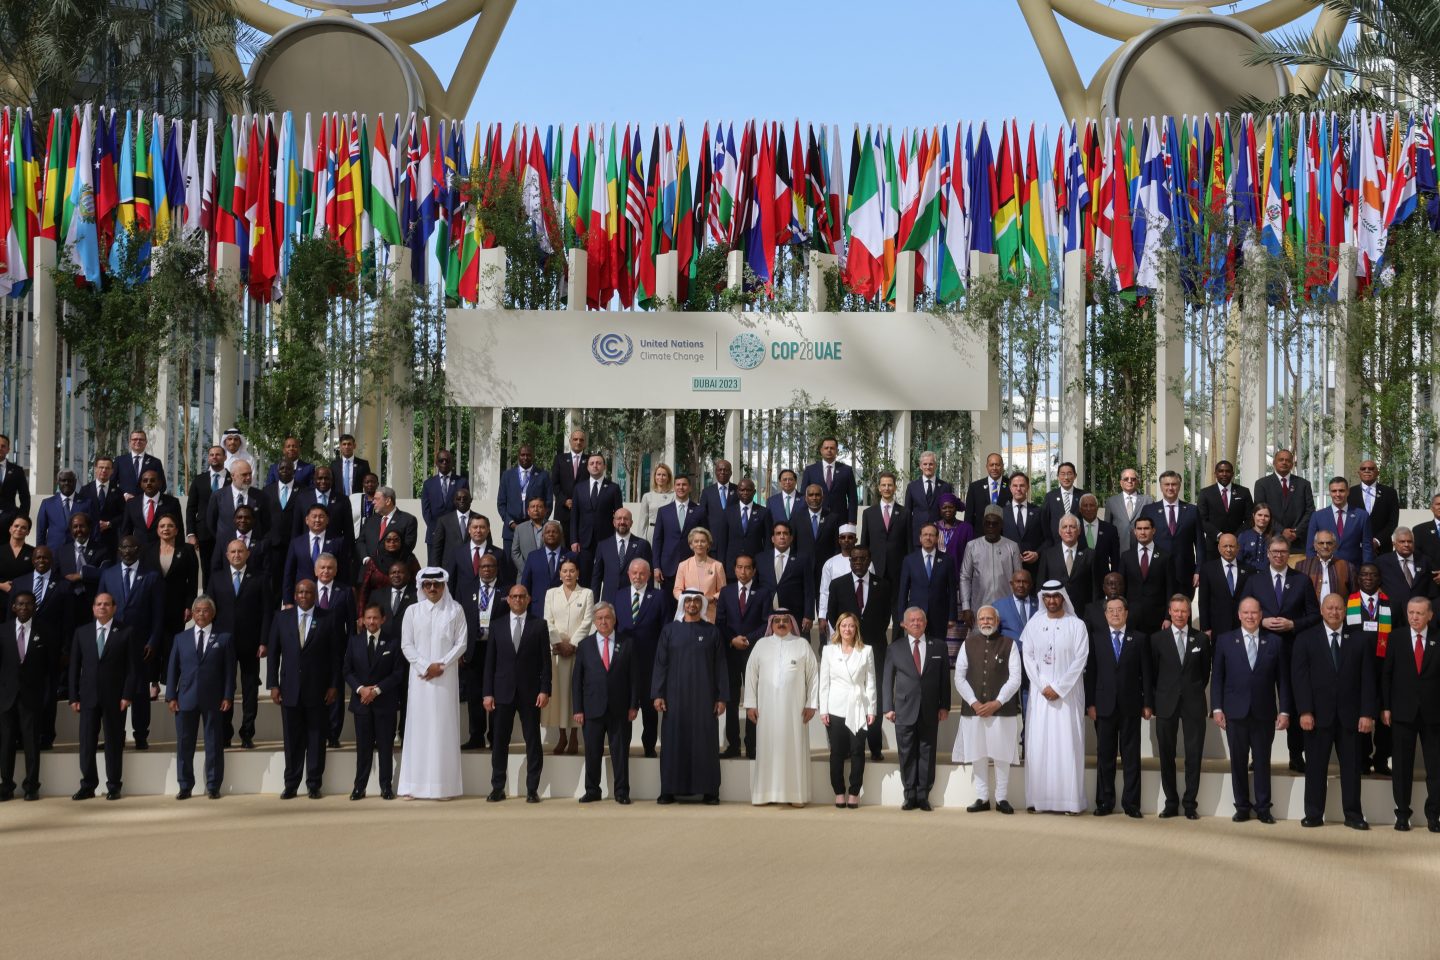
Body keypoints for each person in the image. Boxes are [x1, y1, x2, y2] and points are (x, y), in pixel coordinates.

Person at [1293, 592, 1375, 829]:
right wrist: (1305, 711)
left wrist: (1367, 713)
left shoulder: (1359, 640)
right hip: (1317, 717)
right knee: (1315, 768)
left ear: (1345, 611)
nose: (1334, 612)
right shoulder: (1306, 639)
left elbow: (1368, 679)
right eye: (1329, 608)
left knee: (1351, 769)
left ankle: (1353, 815)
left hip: (1351, 717)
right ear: (1321, 610)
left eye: (1338, 608)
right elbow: (1300, 680)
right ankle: (1313, 814)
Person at [1239, 536, 1320, 773]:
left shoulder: (1302, 580)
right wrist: (1261, 621)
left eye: (1283, 551)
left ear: (1288, 554)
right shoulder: (1255, 581)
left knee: (1294, 703)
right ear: (1268, 553)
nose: (1279, 555)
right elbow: (1244, 609)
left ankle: (1296, 755)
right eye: (1274, 551)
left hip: (1293, 650)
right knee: (1260, 703)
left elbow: (1314, 615)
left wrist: (1293, 624)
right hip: (1262, 648)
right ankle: (1257, 755)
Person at [1212, 597, 1290, 823]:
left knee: (1262, 762)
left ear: (1261, 615)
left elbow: (1282, 681)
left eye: (1254, 612)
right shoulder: (1225, 641)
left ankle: (1264, 808)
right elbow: (1217, 678)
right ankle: (1243, 807)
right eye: (1245, 612)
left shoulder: (1274, 642)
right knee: (1237, 762)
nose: (1250, 616)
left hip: (1264, 713)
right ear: (1239, 615)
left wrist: (1284, 710)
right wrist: (1216, 708)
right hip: (1234, 713)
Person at [653, 591, 728, 804]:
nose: (692, 604)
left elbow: (720, 667)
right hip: (674, 698)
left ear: (702, 604)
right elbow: (660, 664)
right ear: (683, 604)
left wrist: (722, 697)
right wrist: (658, 694)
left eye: (696, 601)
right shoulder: (669, 631)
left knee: (705, 743)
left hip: (705, 699)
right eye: (688, 601)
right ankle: (668, 789)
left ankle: (710, 791)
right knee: (673, 742)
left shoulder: (712, 632)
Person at [268, 580, 341, 800]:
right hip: (289, 690)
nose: (303, 595)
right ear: (295, 594)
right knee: (292, 740)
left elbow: (336, 656)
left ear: (314, 595)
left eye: (308, 592)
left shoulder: (328, 618)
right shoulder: (281, 618)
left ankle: (314, 784)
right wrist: (273, 684)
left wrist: (334, 685)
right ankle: (291, 783)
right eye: (299, 591)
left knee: (316, 738)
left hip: (317, 690)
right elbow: (273, 654)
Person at [398, 570, 467, 800]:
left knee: (442, 729)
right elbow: (406, 645)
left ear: (443, 585)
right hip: (420, 680)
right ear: (421, 587)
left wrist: (442, 665)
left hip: (445, 679)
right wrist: (426, 666)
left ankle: (442, 787)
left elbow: (462, 643)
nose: (432, 589)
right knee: (418, 729)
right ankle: (413, 786)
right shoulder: (412, 611)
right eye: (427, 584)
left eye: (436, 584)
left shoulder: (455, 610)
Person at [1020, 582, 1089, 813]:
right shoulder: (1033, 624)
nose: (1051, 601)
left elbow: (1081, 660)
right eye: (1047, 597)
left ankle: (1070, 802)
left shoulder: (1077, 625)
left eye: (1055, 596)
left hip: (1068, 696)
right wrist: (1042, 686)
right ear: (1043, 598)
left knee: (1068, 746)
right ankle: (1039, 800)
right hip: (1041, 697)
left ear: (1063, 598)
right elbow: (1027, 658)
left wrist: (1059, 687)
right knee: (1039, 745)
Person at [743, 609, 819, 807]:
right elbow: (751, 675)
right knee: (767, 749)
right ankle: (765, 794)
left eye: (786, 620)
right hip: (766, 711)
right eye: (777, 620)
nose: (782, 624)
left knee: (794, 749)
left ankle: (795, 795)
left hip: (795, 711)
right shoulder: (761, 645)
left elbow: (813, 677)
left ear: (791, 623)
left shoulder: (801, 644)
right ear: (772, 623)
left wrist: (812, 704)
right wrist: (750, 704)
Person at [483, 584, 552, 803]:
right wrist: (487, 693)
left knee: (532, 741)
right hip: (502, 692)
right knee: (499, 741)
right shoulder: (497, 625)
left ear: (529, 599)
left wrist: (545, 690)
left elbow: (545, 663)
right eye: (514, 596)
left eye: (522, 596)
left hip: (530, 693)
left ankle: (532, 789)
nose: (518, 600)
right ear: (508, 599)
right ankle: (497, 787)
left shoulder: (539, 625)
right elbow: (490, 663)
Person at [1146, 595, 1211, 820]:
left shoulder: (1201, 640)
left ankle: (1190, 803)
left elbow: (1204, 675)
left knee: (1194, 755)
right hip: (1165, 704)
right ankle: (1171, 802)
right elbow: (1153, 675)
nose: (1180, 615)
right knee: (1166, 755)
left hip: (1193, 704)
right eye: (1176, 611)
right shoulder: (1156, 640)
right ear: (1170, 612)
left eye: (1184, 611)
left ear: (1189, 613)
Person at [953, 604, 1021, 814]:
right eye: (982, 619)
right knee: (978, 753)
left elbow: (1015, 678)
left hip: (1002, 710)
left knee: (1002, 756)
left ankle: (1001, 798)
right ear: (977, 621)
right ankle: (982, 797)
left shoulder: (1009, 644)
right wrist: (974, 702)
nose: (985, 622)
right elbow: (959, 677)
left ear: (997, 621)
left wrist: (997, 702)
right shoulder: (967, 644)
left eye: (989, 619)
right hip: (974, 710)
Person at [825, 545, 892, 760]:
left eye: (863, 559)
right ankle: (844, 747)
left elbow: (885, 616)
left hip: (875, 647)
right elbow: (831, 614)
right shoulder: (838, 584)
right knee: (846, 694)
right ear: (850, 561)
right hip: (846, 648)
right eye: (854, 559)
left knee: (874, 695)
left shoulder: (882, 585)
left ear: (869, 559)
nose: (859, 563)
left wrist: (868, 640)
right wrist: (849, 638)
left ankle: (874, 746)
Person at [882, 607, 951, 810]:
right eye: (911, 620)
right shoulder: (895, 648)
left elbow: (944, 679)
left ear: (926, 622)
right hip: (903, 709)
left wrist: (945, 706)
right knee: (906, 753)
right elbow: (887, 680)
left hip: (930, 709)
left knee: (927, 753)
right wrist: (887, 707)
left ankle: (923, 795)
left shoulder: (939, 647)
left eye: (920, 620)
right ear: (904, 624)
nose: (916, 623)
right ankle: (909, 794)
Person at [165, 596, 234, 800]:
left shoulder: (224, 638)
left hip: (214, 699)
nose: (201, 614)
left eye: (205, 610)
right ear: (192, 614)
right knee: (185, 743)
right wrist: (171, 696)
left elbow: (230, 671)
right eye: (197, 611)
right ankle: (185, 785)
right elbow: (172, 670)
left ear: (212, 613)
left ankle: (213, 785)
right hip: (185, 698)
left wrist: (228, 695)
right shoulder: (181, 638)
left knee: (214, 743)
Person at [96, 535, 162, 748]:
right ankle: (117, 735)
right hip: (113, 642)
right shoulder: (108, 574)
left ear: (139, 549)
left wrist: (152, 641)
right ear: (118, 550)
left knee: (140, 691)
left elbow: (158, 614)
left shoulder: (151, 576)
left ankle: (141, 735)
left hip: (141, 644)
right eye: (123, 547)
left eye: (132, 547)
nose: (127, 551)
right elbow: (100, 608)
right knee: (115, 690)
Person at [572, 602, 640, 804]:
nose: (603, 621)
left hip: (620, 709)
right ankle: (592, 790)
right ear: (594, 621)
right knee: (592, 752)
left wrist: (633, 705)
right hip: (592, 709)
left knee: (620, 753)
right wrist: (578, 709)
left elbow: (634, 678)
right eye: (600, 618)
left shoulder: (627, 643)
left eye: (607, 617)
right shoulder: (585, 646)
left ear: (614, 620)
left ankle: (621, 792)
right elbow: (577, 681)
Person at [1382, 596, 1440, 832]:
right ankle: (1402, 814)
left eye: (1419, 613)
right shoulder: (1395, 638)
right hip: (1402, 712)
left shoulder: (1438, 639)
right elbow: (1386, 675)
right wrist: (1385, 707)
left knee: (1436, 768)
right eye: (1411, 613)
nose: (1415, 617)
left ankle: (1434, 815)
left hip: (1434, 714)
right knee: (1402, 767)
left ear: (1430, 615)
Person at [69, 593, 135, 800]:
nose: (103, 607)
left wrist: (127, 694)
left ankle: (114, 785)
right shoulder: (82, 632)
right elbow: (74, 667)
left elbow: (132, 669)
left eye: (107, 604)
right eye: (99, 604)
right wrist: (73, 696)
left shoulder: (126, 632)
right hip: (88, 697)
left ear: (114, 608)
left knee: (114, 742)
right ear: (93, 608)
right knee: (87, 742)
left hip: (115, 698)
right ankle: (88, 785)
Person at [1086, 596, 1145, 818]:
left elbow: (1145, 674)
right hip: (1103, 706)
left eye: (1120, 610)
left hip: (1131, 706)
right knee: (1105, 756)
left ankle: (1131, 803)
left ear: (1127, 613)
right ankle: (1104, 801)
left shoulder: (1138, 639)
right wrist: (1090, 703)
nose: (1116, 614)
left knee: (1131, 757)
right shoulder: (1096, 639)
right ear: (1105, 614)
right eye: (1111, 611)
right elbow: (1090, 673)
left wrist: (1147, 702)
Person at [345, 603, 406, 800]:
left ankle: (386, 787)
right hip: (362, 704)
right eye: (368, 618)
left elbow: (398, 673)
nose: (371, 622)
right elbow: (347, 671)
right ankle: (359, 787)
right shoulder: (354, 642)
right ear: (362, 620)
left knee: (386, 747)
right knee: (363, 748)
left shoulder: (393, 643)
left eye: (375, 618)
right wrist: (361, 689)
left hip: (385, 704)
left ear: (383, 619)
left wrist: (377, 690)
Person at [213, 540, 270, 749]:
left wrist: (264, 641)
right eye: (233, 552)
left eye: (240, 551)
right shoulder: (217, 578)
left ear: (247, 554)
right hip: (223, 644)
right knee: (225, 688)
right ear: (227, 555)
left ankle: (247, 733)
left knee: (250, 690)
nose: (237, 555)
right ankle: (225, 733)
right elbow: (209, 610)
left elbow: (266, 613)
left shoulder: (260, 578)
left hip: (251, 643)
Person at [716, 555, 771, 758]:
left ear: (754, 570)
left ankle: (752, 745)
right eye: (739, 567)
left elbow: (767, 622)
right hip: (730, 653)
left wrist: (747, 639)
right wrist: (733, 639)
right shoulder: (726, 592)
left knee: (753, 699)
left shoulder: (764, 593)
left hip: (753, 652)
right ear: (734, 569)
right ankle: (732, 744)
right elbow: (720, 622)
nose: (743, 571)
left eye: (748, 568)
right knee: (731, 700)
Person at [0, 592, 53, 800]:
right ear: (13, 607)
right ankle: (6, 785)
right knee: (5, 743)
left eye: (29, 604)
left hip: (32, 697)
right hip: (6, 698)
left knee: (31, 742)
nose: (24, 608)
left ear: (34, 607)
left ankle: (31, 786)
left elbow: (50, 669)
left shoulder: (45, 632)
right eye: (20, 604)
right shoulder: (2, 631)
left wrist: (46, 695)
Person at [455, 551, 508, 751]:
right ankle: (476, 735)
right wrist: (459, 649)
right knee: (474, 694)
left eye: (490, 566)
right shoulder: (466, 589)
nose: (486, 569)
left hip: (497, 649)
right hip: (473, 649)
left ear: (497, 569)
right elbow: (458, 621)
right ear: (478, 569)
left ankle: (495, 736)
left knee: (496, 692)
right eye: (483, 566)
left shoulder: (507, 590)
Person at [614, 558, 666, 757]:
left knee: (649, 708)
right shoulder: (618, 596)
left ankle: (649, 746)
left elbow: (664, 628)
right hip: (624, 662)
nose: (638, 576)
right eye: (634, 573)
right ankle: (622, 747)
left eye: (642, 573)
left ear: (649, 575)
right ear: (628, 574)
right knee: (624, 706)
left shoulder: (659, 596)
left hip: (650, 662)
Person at [141, 515, 199, 689]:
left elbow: (193, 581)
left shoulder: (187, 550)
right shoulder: (148, 550)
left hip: (177, 605)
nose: (166, 529)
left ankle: (170, 681)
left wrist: (189, 605)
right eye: (162, 526)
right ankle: (153, 682)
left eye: (170, 525)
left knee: (172, 644)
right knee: (153, 642)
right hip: (152, 604)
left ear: (176, 530)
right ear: (157, 530)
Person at [543, 558, 593, 755]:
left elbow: (588, 621)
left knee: (575, 694)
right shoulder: (551, 594)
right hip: (556, 652)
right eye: (564, 571)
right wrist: (558, 643)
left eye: (572, 571)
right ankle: (562, 735)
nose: (568, 574)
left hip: (576, 652)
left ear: (578, 573)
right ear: (560, 573)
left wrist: (572, 644)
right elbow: (548, 620)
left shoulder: (587, 593)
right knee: (559, 695)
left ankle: (574, 736)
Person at [1350, 563, 1394, 777]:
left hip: (1385, 667)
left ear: (1380, 578)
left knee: (1386, 715)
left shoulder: (1391, 603)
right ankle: (1363, 759)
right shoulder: (1348, 602)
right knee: (1362, 713)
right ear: (1358, 578)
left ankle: (1382, 758)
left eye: (1373, 575)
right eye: (1364, 574)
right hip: (1357, 670)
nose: (1368, 578)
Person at [959, 506, 1021, 628]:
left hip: (1007, 607)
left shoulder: (1012, 546)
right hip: (979, 607)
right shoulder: (972, 546)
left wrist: (1018, 605)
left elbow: (1018, 579)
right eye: (987, 524)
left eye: (994, 524)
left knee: (1005, 644)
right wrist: (966, 607)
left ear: (1001, 525)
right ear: (983, 524)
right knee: (980, 644)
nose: (991, 527)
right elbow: (965, 577)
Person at [650, 475, 707, 607]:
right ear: (674, 487)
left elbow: (705, 538)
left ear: (690, 488)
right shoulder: (664, 511)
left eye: (684, 484)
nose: (681, 487)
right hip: (667, 568)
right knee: (667, 606)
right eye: (678, 485)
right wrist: (656, 566)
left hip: (693, 566)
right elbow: (657, 540)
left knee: (690, 605)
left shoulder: (699, 511)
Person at [1140, 470, 1201, 591]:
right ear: (1161, 487)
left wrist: (1198, 571)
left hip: (1185, 573)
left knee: (1183, 609)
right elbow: (1142, 541)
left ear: (1179, 486)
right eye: (1167, 484)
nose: (1170, 488)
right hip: (1156, 571)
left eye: (1174, 484)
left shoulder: (1192, 511)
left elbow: (1200, 543)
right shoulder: (1149, 510)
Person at [895, 524, 958, 639]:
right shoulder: (909, 560)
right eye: (925, 535)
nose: (928, 538)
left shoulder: (947, 560)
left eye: (931, 535)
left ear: (937, 538)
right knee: (915, 650)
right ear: (920, 538)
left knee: (936, 651)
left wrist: (952, 616)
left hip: (939, 616)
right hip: (915, 617)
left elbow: (952, 591)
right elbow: (903, 591)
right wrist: (902, 617)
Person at [569, 453, 623, 585]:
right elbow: (574, 516)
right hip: (584, 541)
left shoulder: (613, 488)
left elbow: (619, 516)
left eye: (599, 463)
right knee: (585, 577)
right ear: (587, 467)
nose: (595, 466)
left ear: (604, 466)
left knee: (606, 576)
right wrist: (574, 540)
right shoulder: (579, 488)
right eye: (592, 463)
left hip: (606, 539)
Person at [207, 460, 268, 569]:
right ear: (233, 475)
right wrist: (223, 540)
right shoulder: (218, 496)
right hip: (226, 551)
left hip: (252, 552)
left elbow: (266, 523)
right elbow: (211, 523)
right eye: (244, 474)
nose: (249, 477)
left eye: (250, 473)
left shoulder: (260, 496)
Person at [1252, 448, 1314, 556]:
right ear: (1274, 462)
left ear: (1292, 464)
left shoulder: (1304, 484)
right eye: (1281, 459)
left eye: (1288, 460)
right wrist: (1281, 531)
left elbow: (1310, 510)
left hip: (1298, 542)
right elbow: (1261, 512)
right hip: (1272, 539)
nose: (1284, 462)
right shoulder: (1262, 484)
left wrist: (1296, 531)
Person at [755, 522, 814, 630]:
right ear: (772, 538)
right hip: (766, 616)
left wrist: (809, 615)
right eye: (778, 533)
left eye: (785, 533)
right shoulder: (760, 559)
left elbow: (809, 589)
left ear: (791, 538)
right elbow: (756, 587)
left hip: (795, 616)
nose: (782, 536)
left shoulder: (802, 559)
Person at [1120, 516, 1173, 636]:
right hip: (1132, 619)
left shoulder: (1166, 557)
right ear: (1135, 531)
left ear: (1153, 530)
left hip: (1158, 619)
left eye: (1146, 528)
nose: (1142, 532)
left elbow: (1170, 589)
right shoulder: (1126, 557)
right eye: (1139, 529)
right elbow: (1122, 589)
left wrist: (1168, 617)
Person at [285, 505, 349, 603]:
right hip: (303, 595)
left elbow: (343, 571)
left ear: (327, 520)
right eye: (314, 516)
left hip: (328, 596)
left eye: (321, 516)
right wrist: (288, 601)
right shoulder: (296, 543)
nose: (317, 520)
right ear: (307, 520)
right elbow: (289, 573)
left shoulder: (338, 542)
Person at [1307, 476, 1374, 569]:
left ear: (1348, 492)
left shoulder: (1361, 516)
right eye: (1334, 491)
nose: (1337, 494)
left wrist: (1367, 569)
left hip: (1353, 569)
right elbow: (1311, 547)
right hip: (1326, 569)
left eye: (1341, 491)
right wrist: (1313, 569)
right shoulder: (1317, 516)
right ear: (1330, 493)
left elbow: (1367, 547)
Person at [1037, 514, 1098, 616]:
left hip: (1083, 612)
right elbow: (1041, 585)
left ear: (1079, 531)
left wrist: (1093, 612)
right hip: (1056, 611)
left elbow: (1095, 588)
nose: (1068, 530)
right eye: (1064, 527)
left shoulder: (1090, 554)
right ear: (1059, 531)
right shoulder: (1048, 554)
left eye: (1072, 527)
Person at [497, 445, 552, 557]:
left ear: (533, 456)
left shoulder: (543, 476)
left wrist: (539, 524)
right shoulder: (507, 475)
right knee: (509, 566)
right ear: (518, 456)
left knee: (534, 563)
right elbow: (501, 503)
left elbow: (548, 502)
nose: (525, 457)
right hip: (511, 530)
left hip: (535, 530)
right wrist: (511, 523)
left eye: (528, 455)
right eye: (523, 455)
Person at [184, 447, 229, 586]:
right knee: (207, 569)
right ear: (208, 458)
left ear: (225, 457)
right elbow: (191, 508)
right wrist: (191, 534)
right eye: (211, 455)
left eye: (218, 455)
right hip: (204, 533)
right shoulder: (199, 479)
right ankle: (207, 602)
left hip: (227, 532)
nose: (214, 457)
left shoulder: (232, 478)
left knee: (227, 569)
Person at [591, 507, 652, 604]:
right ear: (614, 522)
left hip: (634, 601)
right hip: (609, 601)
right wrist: (594, 603)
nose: (622, 522)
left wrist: (649, 601)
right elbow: (596, 577)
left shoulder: (643, 545)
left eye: (626, 519)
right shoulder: (603, 546)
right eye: (619, 518)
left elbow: (649, 577)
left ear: (631, 523)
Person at [1197, 460, 1253, 561]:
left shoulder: (1244, 492)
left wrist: (1236, 537)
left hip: (1238, 544)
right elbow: (1202, 519)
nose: (1224, 474)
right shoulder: (1205, 493)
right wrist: (1219, 535)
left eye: (1227, 471)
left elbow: (1250, 519)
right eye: (1220, 471)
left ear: (1232, 473)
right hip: (1213, 545)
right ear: (1215, 474)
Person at [860, 470, 909, 582]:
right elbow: (864, 542)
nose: (887, 488)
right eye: (883, 485)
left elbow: (908, 542)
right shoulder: (868, 513)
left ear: (895, 488)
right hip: (875, 567)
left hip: (898, 568)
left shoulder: (905, 513)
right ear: (879, 488)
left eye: (890, 485)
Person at [1198, 533, 1250, 638]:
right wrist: (1205, 628)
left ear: (1238, 548)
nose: (1229, 549)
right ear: (1218, 548)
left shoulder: (1249, 570)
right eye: (1225, 546)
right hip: (1217, 628)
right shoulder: (1207, 569)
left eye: (1232, 546)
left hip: (1243, 626)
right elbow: (1203, 601)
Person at [817, 526, 866, 637]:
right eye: (843, 537)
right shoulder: (830, 564)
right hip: (837, 613)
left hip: (860, 612)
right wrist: (822, 616)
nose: (846, 540)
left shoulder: (866, 563)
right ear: (839, 540)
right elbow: (824, 592)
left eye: (850, 537)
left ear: (856, 540)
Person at [519, 521, 574, 618]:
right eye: (548, 532)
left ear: (561, 536)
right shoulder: (533, 556)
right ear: (542, 536)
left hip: (564, 609)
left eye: (554, 532)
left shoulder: (571, 556)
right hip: (538, 609)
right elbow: (525, 584)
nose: (551, 534)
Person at [357, 486, 418, 573]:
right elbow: (361, 541)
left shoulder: (407, 520)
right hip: (368, 572)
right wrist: (366, 559)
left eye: (376, 499)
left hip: (393, 572)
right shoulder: (371, 520)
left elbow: (408, 546)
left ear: (388, 501)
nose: (373, 502)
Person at [120, 468, 184, 550]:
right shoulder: (132, 503)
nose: (148, 483)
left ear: (160, 483)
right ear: (141, 484)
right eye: (145, 481)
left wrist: (179, 551)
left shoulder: (172, 503)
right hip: (138, 552)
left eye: (152, 480)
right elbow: (126, 531)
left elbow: (179, 530)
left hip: (163, 551)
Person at [792, 483, 840, 586]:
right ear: (806, 498)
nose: (814, 498)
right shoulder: (797, 518)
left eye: (817, 495)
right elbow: (793, 545)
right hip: (803, 568)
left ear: (822, 497)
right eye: (811, 495)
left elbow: (837, 546)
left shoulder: (832, 518)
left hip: (826, 568)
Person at [424, 486, 478, 578]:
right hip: (449, 570)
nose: (462, 501)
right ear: (454, 501)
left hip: (472, 568)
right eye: (458, 498)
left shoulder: (479, 519)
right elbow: (437, 548)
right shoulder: (443, 521)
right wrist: (435, 571)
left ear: (471, 500)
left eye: (465, 498)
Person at [803, 436, 858, 523]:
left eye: (832, 448)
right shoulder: (810, 470)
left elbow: (853, 498)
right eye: (826, 448)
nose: (829, 450)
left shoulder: (846, 470)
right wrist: (805, 519)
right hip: (817, 519)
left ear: (837, 451)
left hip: (840, 519)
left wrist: (852, 521)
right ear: (821, 450)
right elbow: (804, 496)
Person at [720, 478, 766, 580]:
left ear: (754, 492)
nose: (745, 492)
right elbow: (723, 541)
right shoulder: (728, 512)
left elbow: (767, 542)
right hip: (732, 566)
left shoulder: (763, 512)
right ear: (737, 492)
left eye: (748, 490)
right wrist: (722, 564)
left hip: (756, 566)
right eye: (742, 490)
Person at [905, 451, 954, 548]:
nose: (928, 467)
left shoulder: (945, 487)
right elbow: (907, 513)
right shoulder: (912, 487)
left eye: (931, 464)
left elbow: (949, 512)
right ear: (920, 466)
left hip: (939, 537)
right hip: (918, 537)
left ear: (936, 465)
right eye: (925, 464)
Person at [1351, 459, 1399, 556]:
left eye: (1371, 468)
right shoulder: (1350, 493)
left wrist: (1377, 541)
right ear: (1359, 472)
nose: (1367, 470)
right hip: (1356, 548)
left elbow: (1393, 522)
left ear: (1377, 472)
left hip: (1383, 549)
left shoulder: (1390, 493)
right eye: (1363, 468)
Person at [1377, 527, 1431, 613]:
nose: (1406, 544)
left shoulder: (1424, 561)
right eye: (1402, 541)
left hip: (1419, 613)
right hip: (1392, 613)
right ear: (1394, 544)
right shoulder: (1381, 562)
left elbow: (1430, 588)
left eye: (1409, 541)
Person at [77, 455, 125, 553]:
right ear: (95, 469)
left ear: (112, 471)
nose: (104, 470)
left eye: (107, 468)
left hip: (110, 540)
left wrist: (109, 524)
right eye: (101, 467)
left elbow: (123, 514)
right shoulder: (85, 490)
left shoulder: (118, 491)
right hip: (89, 539)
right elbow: (80, 513)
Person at [551, 428, 588, 543]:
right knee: (564, 546)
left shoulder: (590, 460)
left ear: (585, 443)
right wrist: (565, 500)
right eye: (575, 439)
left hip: (584, 511)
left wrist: (580, 501)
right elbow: (554, 483)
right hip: (564, 511)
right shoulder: (560, 459)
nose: (578, 442)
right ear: (570, 441)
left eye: (581, 440)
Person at [1001, 472, 1043, 574]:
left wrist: (1037, 553)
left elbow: (1048, 539)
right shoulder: (1002, 512)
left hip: (1033, 570)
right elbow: (998, 539)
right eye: (1015, 486)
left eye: (1022, 485)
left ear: (1028, 487)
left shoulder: (1038, 511)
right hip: (1008, 568)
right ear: (1010, 488)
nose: (1018, 489)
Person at [1103, 468, 1153, 553]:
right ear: (1121, 482)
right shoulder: (1111, 502)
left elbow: (1153, 526)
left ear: (1137, 482)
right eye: (1126, 479)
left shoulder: (1147, 501)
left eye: (1133, 479)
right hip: (1118, 550)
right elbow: (1107, 528)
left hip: (1142, 550)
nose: (1130, 481)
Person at [698, 459, 738, 562]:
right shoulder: (707, 492)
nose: (722, 472)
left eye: (726, 470)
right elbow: (702, 517)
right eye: (720, 470)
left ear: (731, 472)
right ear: (715, 472)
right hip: (713, 544)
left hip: (733, 542)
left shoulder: (738, 490)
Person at [1297, 530, 1354, 602]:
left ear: (1334, 546)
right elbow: (1296, 595)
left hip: (1337, 612)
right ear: (1315, 546)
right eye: (1321, 543)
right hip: (1311, 612)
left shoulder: (1347, 567)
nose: (1325, 546)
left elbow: (1354, 596)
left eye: (1329, 543)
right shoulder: (1302, 566)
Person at [1040, 461, 1088, 547]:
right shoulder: (1050, 496)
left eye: (1069, 474)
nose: (1066, 477)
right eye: (1062, 474)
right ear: (1058, 476)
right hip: (1056, 544)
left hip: (1079, 544)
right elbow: (1044, 522)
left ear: (1075, 476)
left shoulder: (1083, 496)